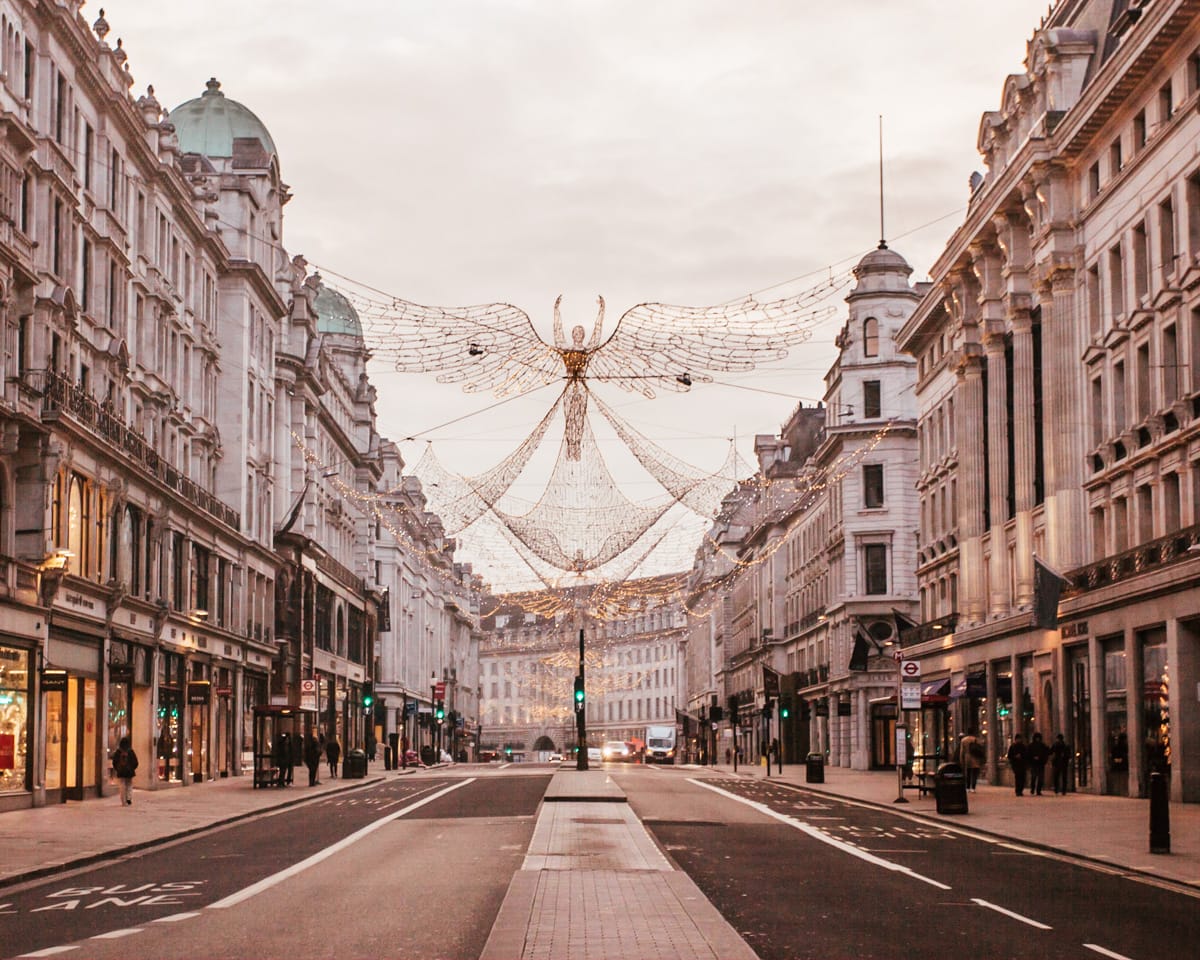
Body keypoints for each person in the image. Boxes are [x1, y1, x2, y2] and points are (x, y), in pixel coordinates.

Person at [110, 735, 139, 806]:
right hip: (129, 772)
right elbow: (136, 762)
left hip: (121, 772)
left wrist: (118, 769)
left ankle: (123, 801)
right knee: (129, 785)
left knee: (122, 786)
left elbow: (114, 762)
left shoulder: (118, 752)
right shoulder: (131, 751)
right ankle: (129, 799)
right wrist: (132, 768)